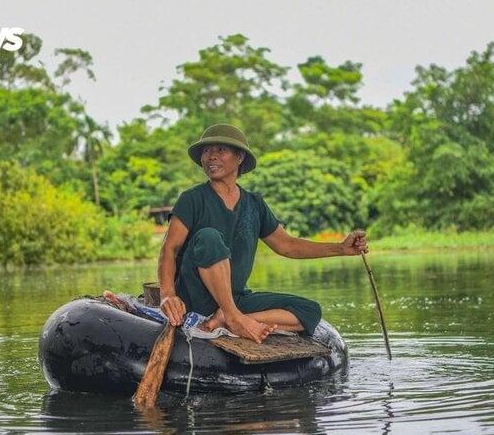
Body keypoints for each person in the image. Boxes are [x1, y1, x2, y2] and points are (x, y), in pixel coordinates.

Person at [157, 123, 368, 344]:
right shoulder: (192, 199)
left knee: (309, 310)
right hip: (194, 298)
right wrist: (168, 295)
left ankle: (230, 318)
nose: (211, 157)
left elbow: (287, 245)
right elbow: (168, 249)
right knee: (209, 237)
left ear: (239, 157)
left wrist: (341, 248)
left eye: (221, 150)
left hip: (236, 298)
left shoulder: (254, 204)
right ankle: (233, 316)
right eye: (207, 151)